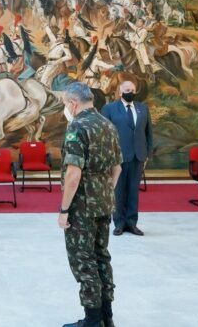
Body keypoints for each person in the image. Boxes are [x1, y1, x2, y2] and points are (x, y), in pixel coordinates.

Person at [59, 82, 122, 327]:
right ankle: (107, 317)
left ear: (73, 103)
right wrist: (104, 191)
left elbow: (73, 174)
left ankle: (92, 320)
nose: (66, 108)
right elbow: (118, 167)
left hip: (82, 207)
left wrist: (64, 209)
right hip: (104, 203)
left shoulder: (77, 126)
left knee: (84, 262)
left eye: (65, 103)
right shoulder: (108, 124)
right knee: (101, 258)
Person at [101, 81, 153, 236]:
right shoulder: (109, 108)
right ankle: (119, 223)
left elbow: (148, 133)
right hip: (117, 157)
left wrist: (147, 154)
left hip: (138, 156)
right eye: (127, 90)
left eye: (132, 90)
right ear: (120, 92)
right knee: (118, 191)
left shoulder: (142, 108)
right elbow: (104, 134)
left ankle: (132, 223)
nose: (130, 92)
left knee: (133, 191)